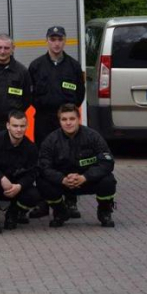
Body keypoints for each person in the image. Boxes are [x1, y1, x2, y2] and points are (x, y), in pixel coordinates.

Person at [29, 25, 86, 219]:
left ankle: (70, 201)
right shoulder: (36, 66)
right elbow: (31, 95)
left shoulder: (73, 66)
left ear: (65, 41)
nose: (56, 43)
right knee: (43, 159)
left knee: (70, 157)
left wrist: (68, 116)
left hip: (67, 120)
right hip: (44, 119)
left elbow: (79, 95)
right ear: (47, 41)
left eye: (59, 39)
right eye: (52, 39)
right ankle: (44, 201)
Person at [36, 104, 117, 228]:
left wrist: (85, 177)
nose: (68, 123)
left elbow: (107, 162)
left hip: (87, 181)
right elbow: (44, 167)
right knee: (42, 182)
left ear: (78, 119)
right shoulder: (51, 140)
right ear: (59, 121)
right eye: (64, 119)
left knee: (108, 181)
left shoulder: (93, 137)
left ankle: (104, 211)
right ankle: (60, 212)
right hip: (63, 182)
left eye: (72, 119)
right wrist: (62, 179)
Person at [0, 110, 41, 232]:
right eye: (15, 126)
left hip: (16, 187)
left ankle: (13, 213)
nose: (19, 129)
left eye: (22, 126)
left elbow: (33, 173)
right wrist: (1, 178)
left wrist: (19, 186)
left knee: (34, 195)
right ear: (8, 125)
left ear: (27, 126)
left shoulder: (31, 148)